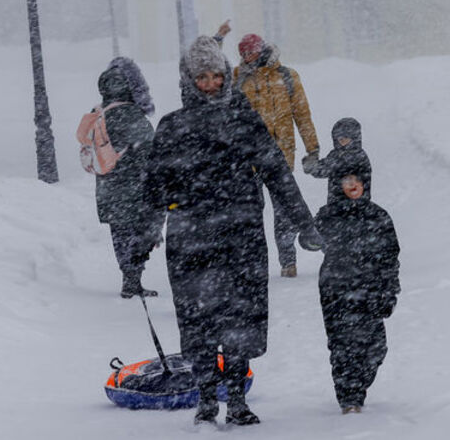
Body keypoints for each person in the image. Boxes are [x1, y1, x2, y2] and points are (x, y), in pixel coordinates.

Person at [144, 36, 323, 426]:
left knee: (241, 317)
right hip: (190, 239)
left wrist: (304, 223)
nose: (211, 84)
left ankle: (237, 400)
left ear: (226, 76)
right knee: (199, 320)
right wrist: (144, 236)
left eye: (216, 76)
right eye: (202, 77)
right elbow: (154, 188)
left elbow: (277, 173)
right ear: (189, 81)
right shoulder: (172, 126)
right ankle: (207, 400)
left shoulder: (243, 120)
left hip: (241, 235)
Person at [231, 31, 320, 278]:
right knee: (250, 213)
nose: (247, 57)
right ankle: (252, 264)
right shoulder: (237, 78)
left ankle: (288, 262)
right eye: (243, 53)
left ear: (261, 50)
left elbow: (302, 115)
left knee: (284, 211)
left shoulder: (287, 76)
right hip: (247, 158)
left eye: (250, 51)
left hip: (280, 155)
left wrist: (312, 149)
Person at [314, 167, 400, 414]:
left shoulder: (378, 215)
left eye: (357, 180)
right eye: (346, 180)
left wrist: (390, 291)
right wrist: (308, 237)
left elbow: (391, 256)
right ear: (338, 186)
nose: (353, 185)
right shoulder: (328, 214)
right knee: (342, 345)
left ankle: (358, 385)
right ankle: (349, 399)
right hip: (336, 289)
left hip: (370, 289)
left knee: (375, 347)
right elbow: (309, 239)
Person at [93, 57, 164, 298]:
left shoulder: (100, 114)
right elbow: (150, 154)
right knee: (142, 232)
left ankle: (129, 278)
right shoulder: (132, 115)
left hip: (109, 186)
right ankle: (133, 279)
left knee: (120, 233)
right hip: (135, 187)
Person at [310, 117, 372, 204]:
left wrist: (313, 167)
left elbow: (327, 169)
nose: (342, 140)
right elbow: (324, 167)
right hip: (336, 204)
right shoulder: (336, 153)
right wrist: (312, 164)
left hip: (354, 205)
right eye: (339, 137)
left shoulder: (357, 156)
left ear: (354, 138)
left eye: (346, 137)